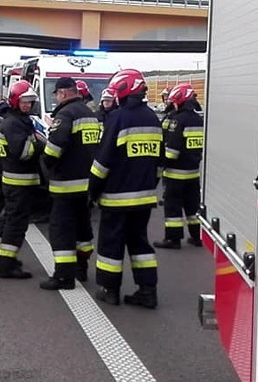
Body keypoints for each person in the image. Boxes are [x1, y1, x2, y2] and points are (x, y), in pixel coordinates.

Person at [89, 69, 162, 309]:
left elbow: (103, 161)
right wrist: (150, 185)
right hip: (144, 198)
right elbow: (160, 162)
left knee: (111, 244)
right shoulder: (153, 118)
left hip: (116, 198)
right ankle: (147, 291)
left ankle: (110, 290)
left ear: (121, 90)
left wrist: (93, 191)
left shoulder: (117, 118)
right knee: (140, 244)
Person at [38, 77, 100, 290]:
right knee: (83, 229)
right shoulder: (90, 114)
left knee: (62, 230)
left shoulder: (65, 115)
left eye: (56, 94)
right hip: (87, 184)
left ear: (63, 93)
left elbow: (54, 148)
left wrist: (45, 163)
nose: (56, 98)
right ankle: (81, 268)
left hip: (66, 185)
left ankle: (64, 277)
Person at [0, 81, 43, 279]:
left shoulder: (18, 120)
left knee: (7, 220)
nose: (27, 105)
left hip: (15, 181)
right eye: (24, 102)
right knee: (16, 224)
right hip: (18, 182)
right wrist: (40, 145)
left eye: (30, 102)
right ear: (15, 101)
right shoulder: (14, 123)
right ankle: (7, 264)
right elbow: (23, 152)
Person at [153, 83, 204, 249]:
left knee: (173, 208)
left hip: (175, 174)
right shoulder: (198, 119)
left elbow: (172, 151)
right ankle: (196, 237)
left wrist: (161, 166)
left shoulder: (178, 120)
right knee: (192, 207)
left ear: (180, 102)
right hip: (193, 172)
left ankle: (173, 239)